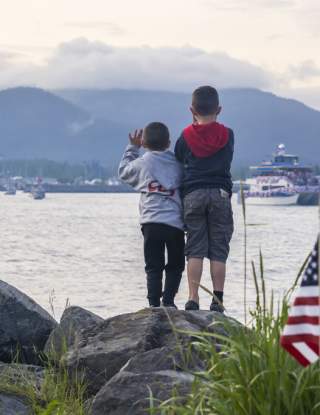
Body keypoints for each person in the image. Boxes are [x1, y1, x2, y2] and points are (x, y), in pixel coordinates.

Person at [175, 86, 234, 312]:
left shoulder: (185, 136)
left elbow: (180, 158)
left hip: (193, 194)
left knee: (195, 249)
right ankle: (217, 300)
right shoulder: (228, 135)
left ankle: (193, 298)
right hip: (220, 193)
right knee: (219, 250)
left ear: (192, 110)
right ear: (219, 109)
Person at [118, 122, 185, 308]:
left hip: (151, 223)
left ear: (144, 143)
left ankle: (153, 304)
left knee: (153, 266)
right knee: (175, 265)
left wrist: (132, 148)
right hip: (175, 224)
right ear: (168, 142)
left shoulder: (141, 163)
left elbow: (123, 172)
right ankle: (169, 302)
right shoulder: (179, 164)